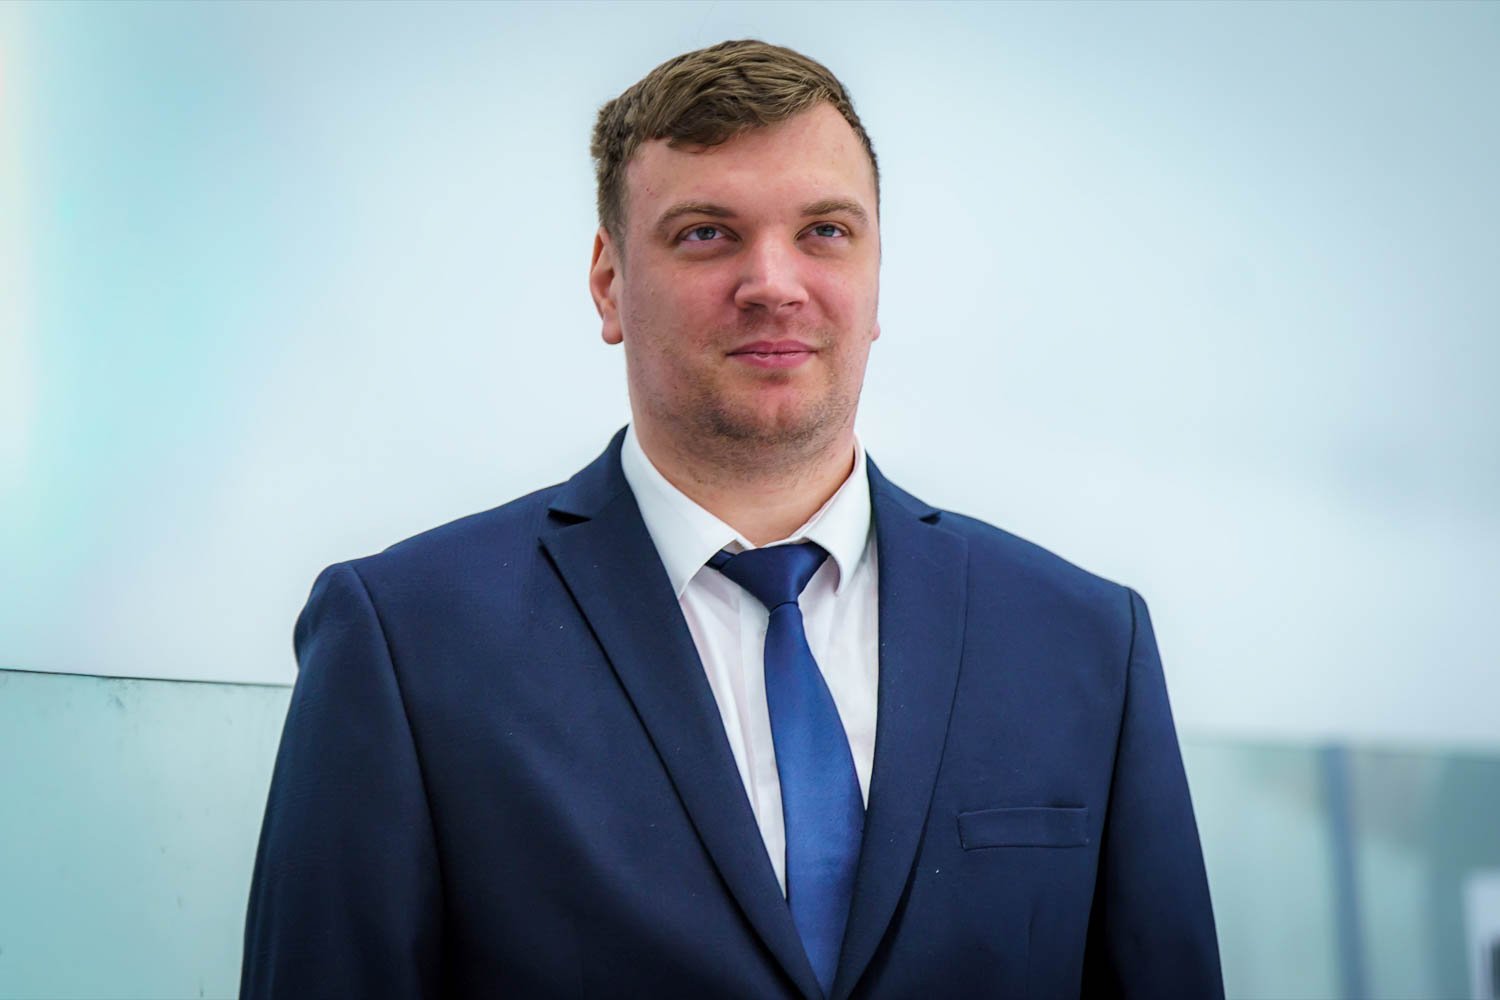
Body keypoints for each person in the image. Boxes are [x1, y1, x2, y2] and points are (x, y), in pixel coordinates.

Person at [241, 39, 1223, 999]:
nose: (774, 285)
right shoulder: (408, 640)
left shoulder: (1084, 641)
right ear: (609, 281)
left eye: (825, 231)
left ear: (877, 275)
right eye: (707, 233)